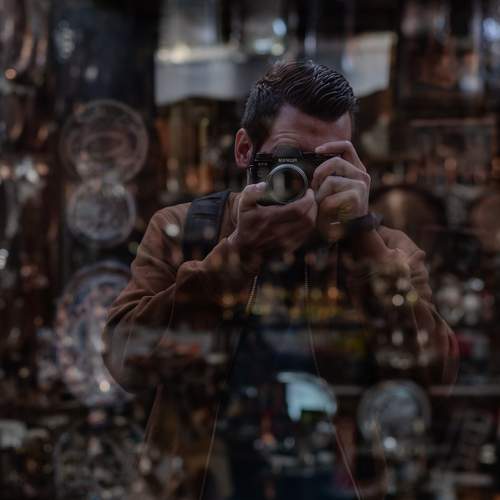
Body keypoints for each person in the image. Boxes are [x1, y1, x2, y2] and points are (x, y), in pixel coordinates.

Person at [104, 61, 458, 500]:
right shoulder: (183, 230)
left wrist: (362, 237)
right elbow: (124, 362)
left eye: (325, 162)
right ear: (245, 150)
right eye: (289, 160)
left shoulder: (386, 249)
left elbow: (435, 378)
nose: (304, 180)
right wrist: (236, 254)